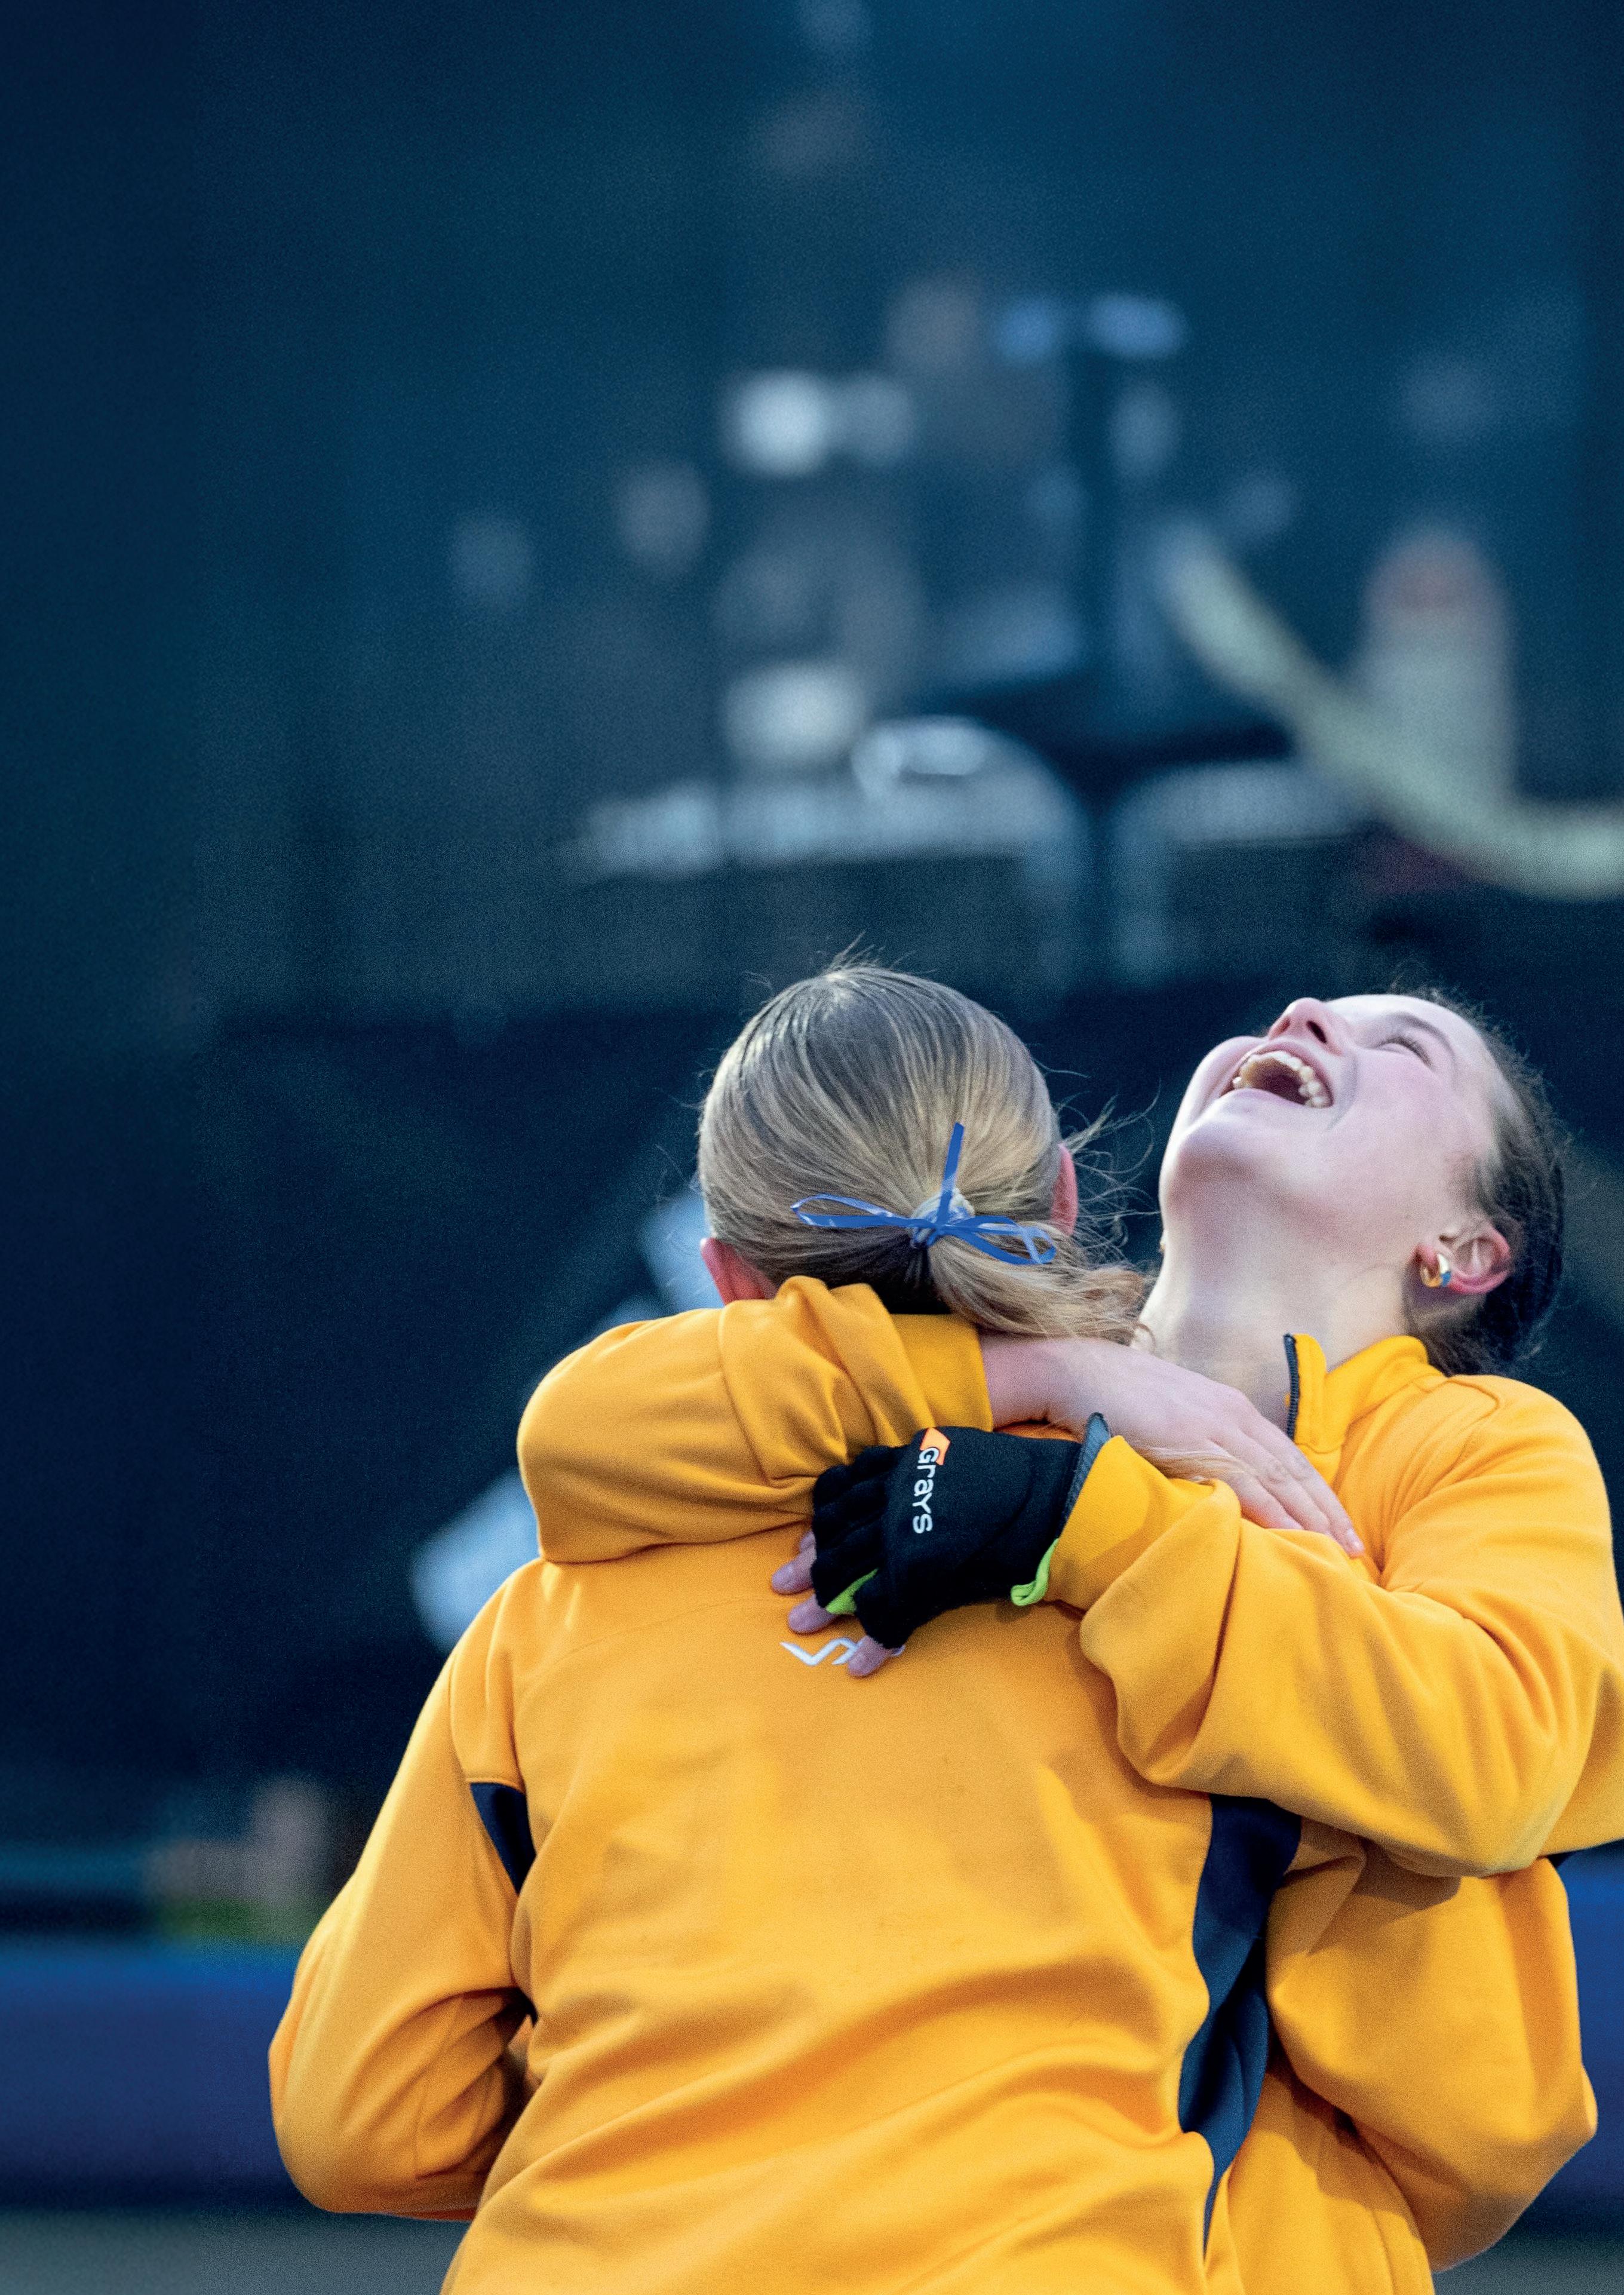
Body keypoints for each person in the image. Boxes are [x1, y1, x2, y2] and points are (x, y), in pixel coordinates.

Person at [515, 966, 1624, 2287]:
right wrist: (1039, 1371)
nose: (1303, 1020)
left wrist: (1081, 1514)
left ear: (1466, 1249)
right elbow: (581, 1430)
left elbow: (1496, 1749)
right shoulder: (1005, 1376)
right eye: (1299, 1011)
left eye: (1410, 1049)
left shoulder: (1484, 1446)